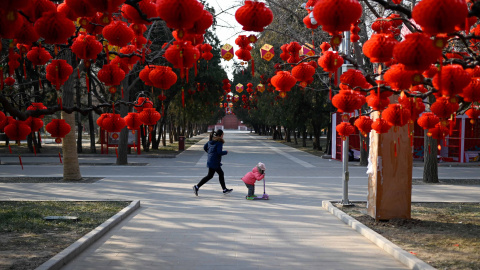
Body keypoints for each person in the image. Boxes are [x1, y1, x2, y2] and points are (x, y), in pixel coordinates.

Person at [193, 129, 232, 196]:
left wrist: (210, 153)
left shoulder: (211, 141)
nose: (223, 136)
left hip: (211, 160)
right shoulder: (219, 142)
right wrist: (226, 152)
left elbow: (205, 147)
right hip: (215, 161)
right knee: (220, 173)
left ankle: (197, 187)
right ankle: (224, 189)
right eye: (222, 135)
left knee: (210, 175)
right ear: (220, 135)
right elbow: (219, 152)